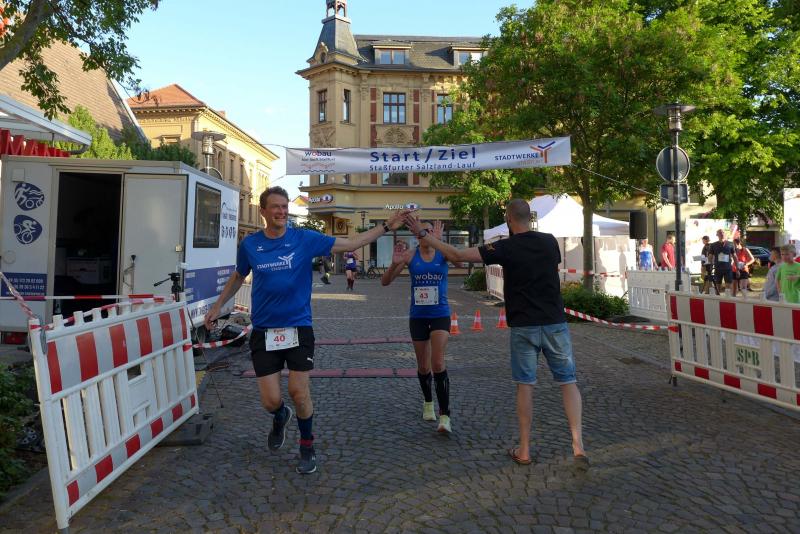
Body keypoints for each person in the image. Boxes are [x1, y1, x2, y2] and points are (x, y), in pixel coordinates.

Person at [206, 186, 413, 474]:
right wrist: (217, 306)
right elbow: (239, 276)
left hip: (298, 327)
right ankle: (280, 416)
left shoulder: (304, 239)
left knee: (299, 392)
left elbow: (352, 242)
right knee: (270, 401)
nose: (281, 211)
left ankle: (306, 445)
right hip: (264, 331)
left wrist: (386, 226)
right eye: (275, 207)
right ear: (263, 211)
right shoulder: (251, 245)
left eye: (284, 206)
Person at [405, 200, 587, 469]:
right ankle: (578, 446)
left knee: (525, 385)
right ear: (529, 217)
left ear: (509, 219)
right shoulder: (550, 242)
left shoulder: (505, 247)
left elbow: (457, 255)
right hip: (555, 323)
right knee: (568, 381)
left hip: (524, 326)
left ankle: (524, 450)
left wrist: (423, 234)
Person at [381, 221, 452, 433]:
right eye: (422, 231)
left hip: (440, 315)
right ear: (417, 236)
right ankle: (428, 402)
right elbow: (385, 281)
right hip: (418, 317)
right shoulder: (411, 255)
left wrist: (440, 243)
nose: (425, 233)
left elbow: (459, 260)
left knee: (437, 363)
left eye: (429, 231)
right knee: (423, 367)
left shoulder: (443, 253)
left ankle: (445, 416)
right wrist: (394, 264)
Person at [710, 229, 736, 296]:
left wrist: (737, 267)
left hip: (728, 269)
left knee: (728, 287)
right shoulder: (713, 245)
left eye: (723, 232)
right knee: (717, 287)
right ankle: (717, 300)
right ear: (717, 235)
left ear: (725, 234)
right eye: (720, 233)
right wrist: (710, 266)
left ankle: (728, 299)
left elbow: (734, 256)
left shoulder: (730, 244)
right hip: (718, 268)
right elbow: (710, 257)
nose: (722, 234)